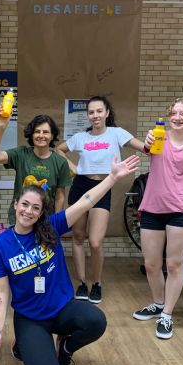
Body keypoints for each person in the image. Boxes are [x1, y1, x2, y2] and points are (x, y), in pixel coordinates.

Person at [0, 154, 140, 365]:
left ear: (41, 212)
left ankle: (64, 348)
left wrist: (112, 178)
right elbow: (1, 293)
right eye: (24, 204)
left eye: (36, 207)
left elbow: (85, 202)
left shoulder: (52, 226)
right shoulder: (0, 245)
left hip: (61, 309)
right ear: (15, 204)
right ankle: (24, 343)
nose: (28, 211)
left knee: (96, 321)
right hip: (31, 318)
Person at [133, 97, 183, 340]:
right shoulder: (157, 137)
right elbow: (147, 147)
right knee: (151, 264)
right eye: (173, 113)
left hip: (182, 210)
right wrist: (148, 140)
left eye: (182, 113)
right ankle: (158, 303)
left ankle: (167, 314)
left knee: (174, 265)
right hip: (152, 207)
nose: (177, 117)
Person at [56, 96, 146, 304]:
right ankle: (81, 282)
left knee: (96, 242)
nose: (95, 115)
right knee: (78, 237)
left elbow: (145, 148)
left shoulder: (117, 133)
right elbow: (59, 149)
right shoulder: (80, 137)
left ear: (107, 113)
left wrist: (158, 142)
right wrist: (74, 168)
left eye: (99, 111)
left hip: (103, 187)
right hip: (80, 186)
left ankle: (96, 283)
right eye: (91, 112)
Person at [0, 109, 72, 225]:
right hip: (21, 216)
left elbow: (60, 196)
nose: (41, 135)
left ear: (52, 135)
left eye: (45, 132)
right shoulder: (21, 154)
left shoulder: (60, 162)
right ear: (32, 135)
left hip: (46, 219)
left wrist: (56, 222)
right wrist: (1, 127)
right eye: (37, 131)